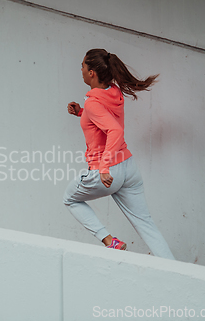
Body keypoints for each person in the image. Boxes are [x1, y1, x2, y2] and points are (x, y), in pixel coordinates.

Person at [63, 48, 174, 259]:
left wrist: (103, 167)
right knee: (145, 224)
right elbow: (102, 118)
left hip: (106, 172)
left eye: (83, 66)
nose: (81, 70)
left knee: (69, 199)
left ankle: (109, 241)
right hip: (128, 168)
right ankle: (175, 269)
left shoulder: (93, 102)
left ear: (92, 73)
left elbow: (114, 130)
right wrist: (80, 112)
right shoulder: (114, 93)